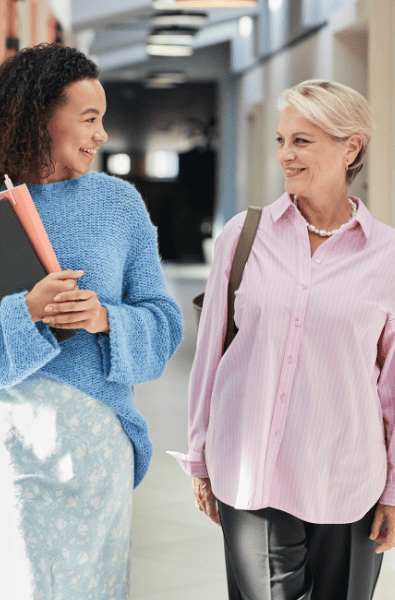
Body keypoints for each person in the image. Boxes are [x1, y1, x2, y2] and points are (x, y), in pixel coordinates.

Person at [0, 44, 182, 599]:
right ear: (40, 117)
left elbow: (163, 322)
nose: (101, 134)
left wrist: (105, 319)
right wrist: (26, 314)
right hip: (9, 448)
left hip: (98, 446)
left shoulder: (121, 207)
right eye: (89, 118)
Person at [170, 79, 395, 600]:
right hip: (253, 474)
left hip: (347, 477)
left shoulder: (386, 255)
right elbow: (211, 356)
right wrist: (200, 459)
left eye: (301, 141)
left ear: (350, 147)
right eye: (281, 140)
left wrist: (392, 488)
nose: (285, 155)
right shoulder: (243, 236)